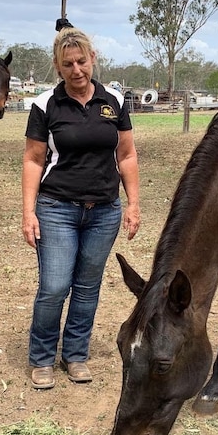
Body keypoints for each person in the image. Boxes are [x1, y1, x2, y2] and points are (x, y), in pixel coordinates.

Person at [21, 19, 141, 390]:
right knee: (55, 286)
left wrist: (133, 204)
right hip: (57, 207)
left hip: (104, 211)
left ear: (93, 59)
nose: (76, 70)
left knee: (88, 286)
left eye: (82, 62)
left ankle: (75, 354)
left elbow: (126, 155)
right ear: (58, 66)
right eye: (68, 64)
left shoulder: (114, 101)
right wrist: (28, 212)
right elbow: (33, 159)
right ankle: (41, 357)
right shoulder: (46, 104)